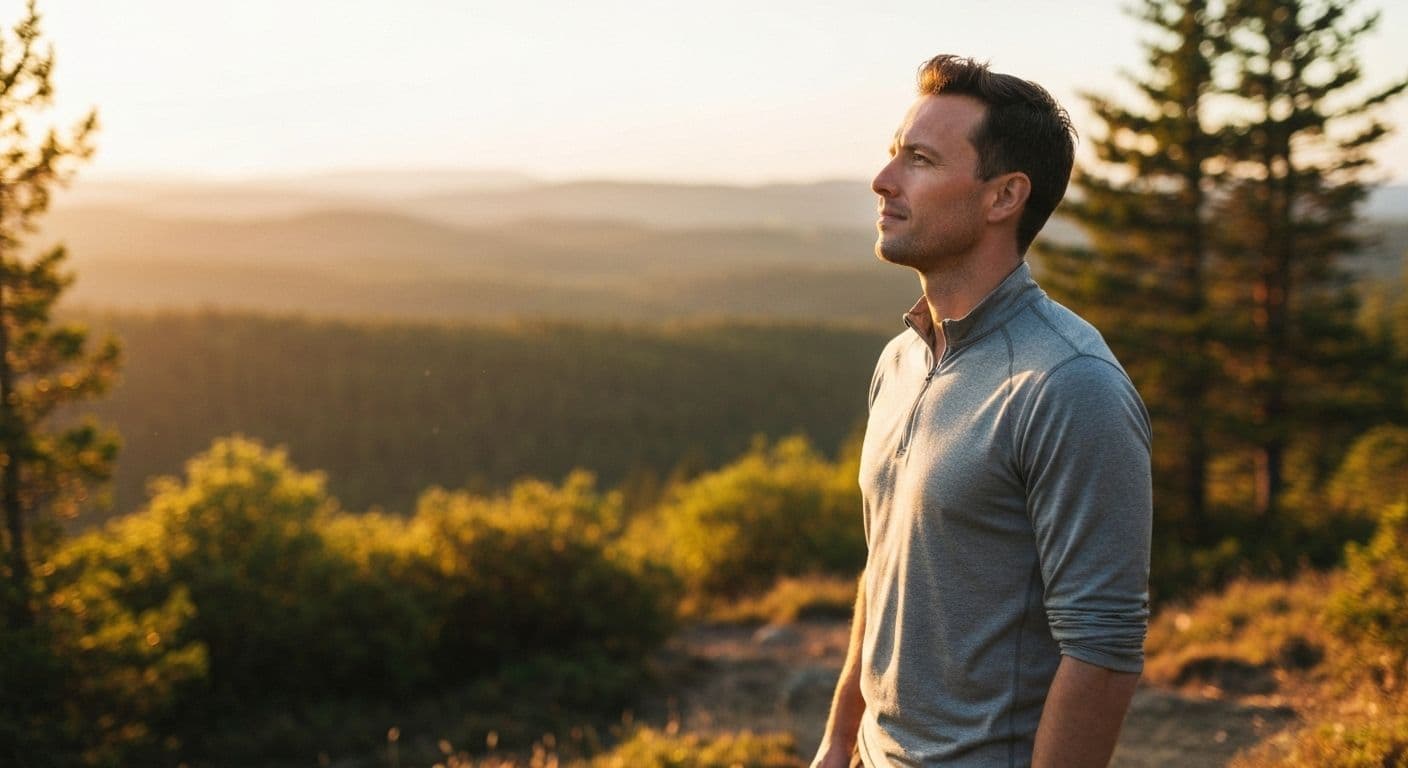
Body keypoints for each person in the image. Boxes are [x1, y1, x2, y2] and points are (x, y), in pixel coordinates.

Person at [810, 55, 1153, 768]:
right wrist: (841, 741)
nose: (883, 181)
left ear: (1004, 198)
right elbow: (884, 570)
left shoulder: (1068, 383)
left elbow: (1103, 648)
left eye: (921, 160)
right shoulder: (899, 361)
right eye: (892, 155)